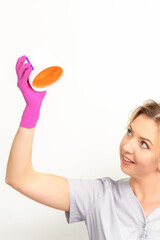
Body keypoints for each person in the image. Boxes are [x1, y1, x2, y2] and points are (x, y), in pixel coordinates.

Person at [5, 56, 160, 240]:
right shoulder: (98, 196)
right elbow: (20, 178)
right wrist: (31, 110)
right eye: (129, 132)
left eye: (144, 144)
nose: (127, 146)